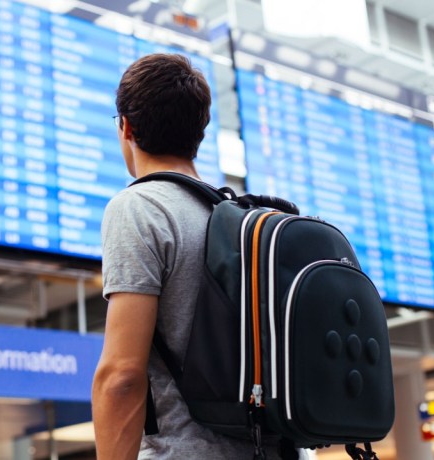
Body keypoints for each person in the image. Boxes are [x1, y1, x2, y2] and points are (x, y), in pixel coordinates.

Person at [92, 54, 284, 459]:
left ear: (125, 126)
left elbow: (121, 376)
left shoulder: (140, 207)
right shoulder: (239, 219)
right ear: (199, 132)